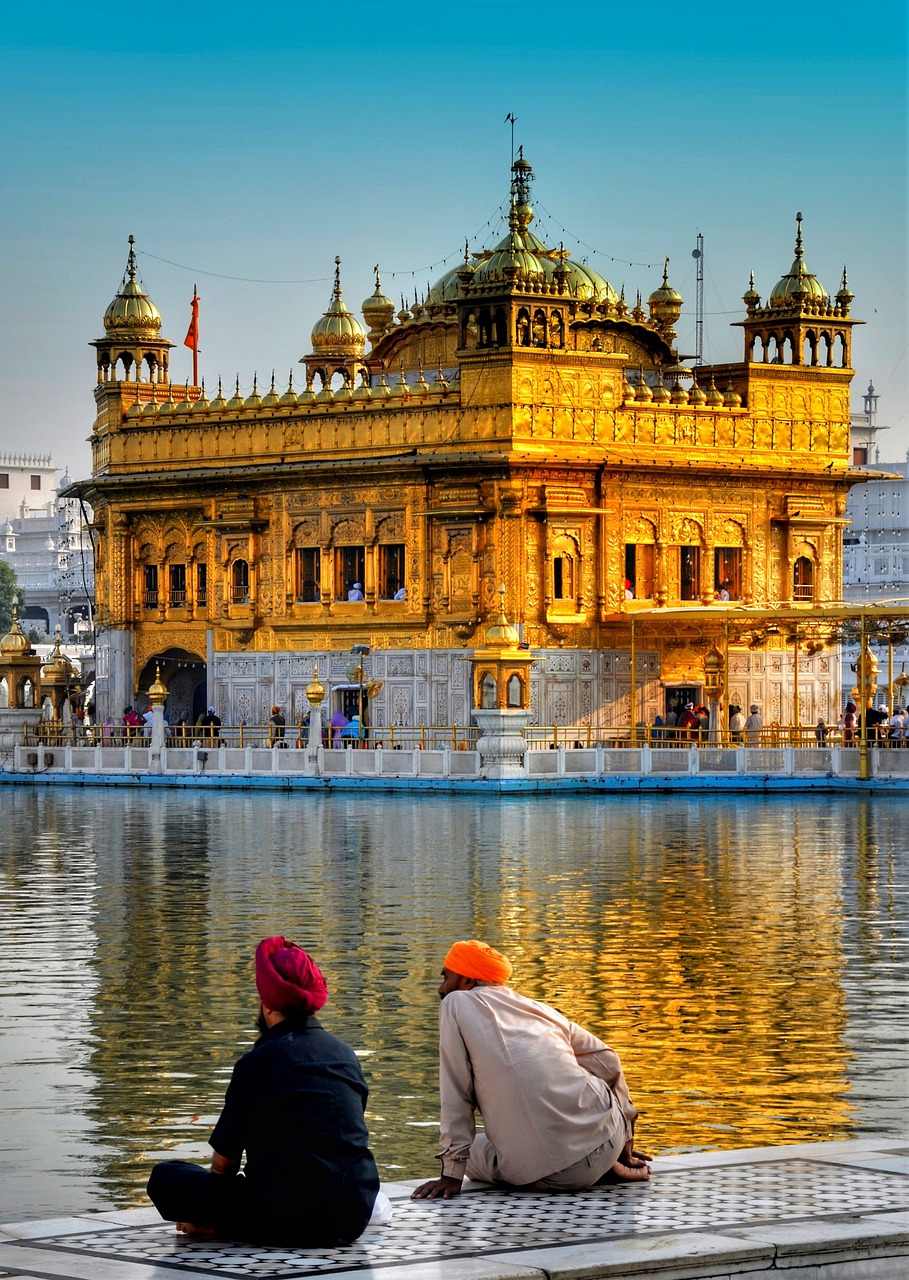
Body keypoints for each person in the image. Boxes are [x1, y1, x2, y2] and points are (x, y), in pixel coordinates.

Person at [147, 937, 380, 1245]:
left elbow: (224, 1165)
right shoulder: (345, 1055)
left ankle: (217, 1228)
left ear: (267, 1004)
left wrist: (213, 1211)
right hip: (354, 1214)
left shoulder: (257, 1062)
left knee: (166, 1177)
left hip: (287, 1219)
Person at [411, 939, 649, 1200]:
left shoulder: (455, 1003)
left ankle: (588, 1168)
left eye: (446, 978)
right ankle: (606, 1165)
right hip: (608, 1139)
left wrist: (451, 1174)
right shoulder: (537, 1008)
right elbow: (608, 1060)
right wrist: (625, 1135)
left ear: (467, 982)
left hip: (548, 1177)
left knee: (474, 1152)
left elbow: (456, 1094)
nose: (441, 989)